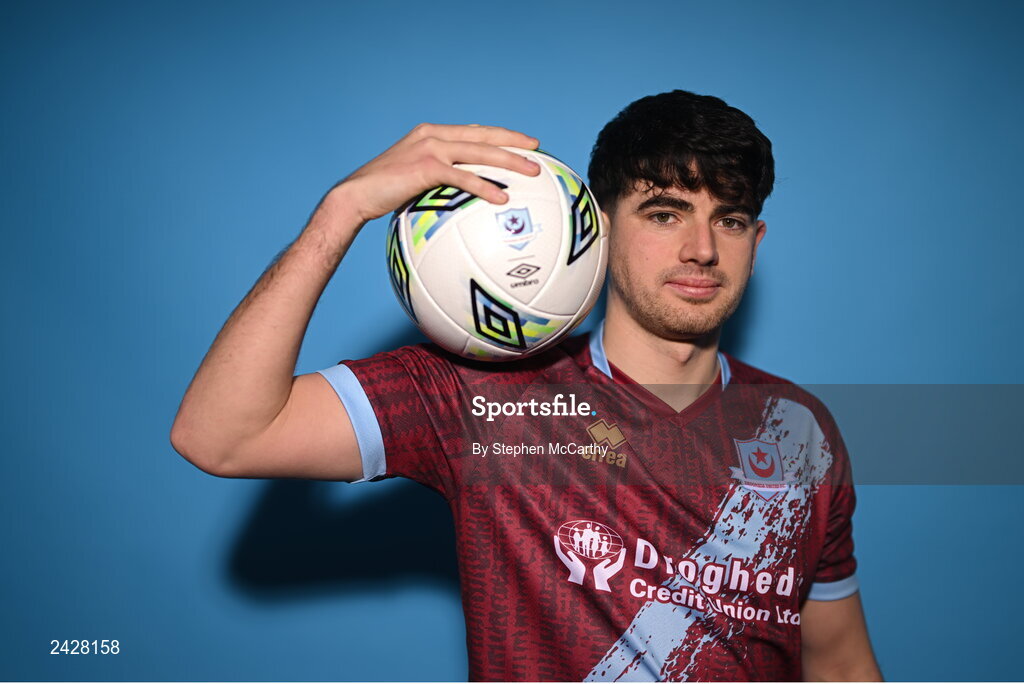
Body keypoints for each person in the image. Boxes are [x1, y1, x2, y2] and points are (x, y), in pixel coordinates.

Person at [171, 90, 883, 681]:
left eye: (728, 220)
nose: (701, 248)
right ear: (598, 230)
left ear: (755, 244)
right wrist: (342, 210)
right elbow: (221, 434)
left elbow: (841, 663)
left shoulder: (798, 431)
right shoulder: (485, 400)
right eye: (665, 213)